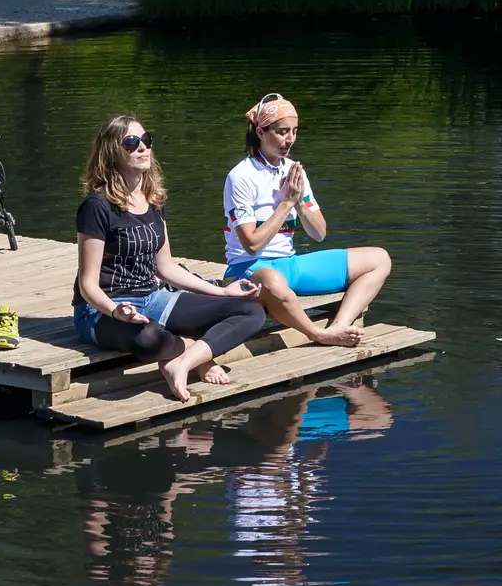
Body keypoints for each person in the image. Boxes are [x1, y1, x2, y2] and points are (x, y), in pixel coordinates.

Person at [74, 114, 267, 401]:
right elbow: (87, 285)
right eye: (131, 142)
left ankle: (183, 362)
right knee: (147, 337)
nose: (143, 147)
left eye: (146, 140)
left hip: (152, 298)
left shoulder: (153, 200)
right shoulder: (96, 206)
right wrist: (115, 311)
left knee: (250, 311)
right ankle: (194, 349)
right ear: (111, 152)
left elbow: (164, 267)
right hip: (101, 310)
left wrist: (222, 291)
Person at [223, 93, 393, 348]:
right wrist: (286, 203)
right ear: (260, 132)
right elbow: (252, 245)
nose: (290, 139)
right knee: (273, 280)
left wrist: (300, 202)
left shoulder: (294, 170)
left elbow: (319, 233)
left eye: (294, 131)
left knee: (379, 259)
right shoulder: (241, 177)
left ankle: (340, 325)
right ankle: (318, 334)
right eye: (282, 132)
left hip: (290, 265)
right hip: (249, 269)